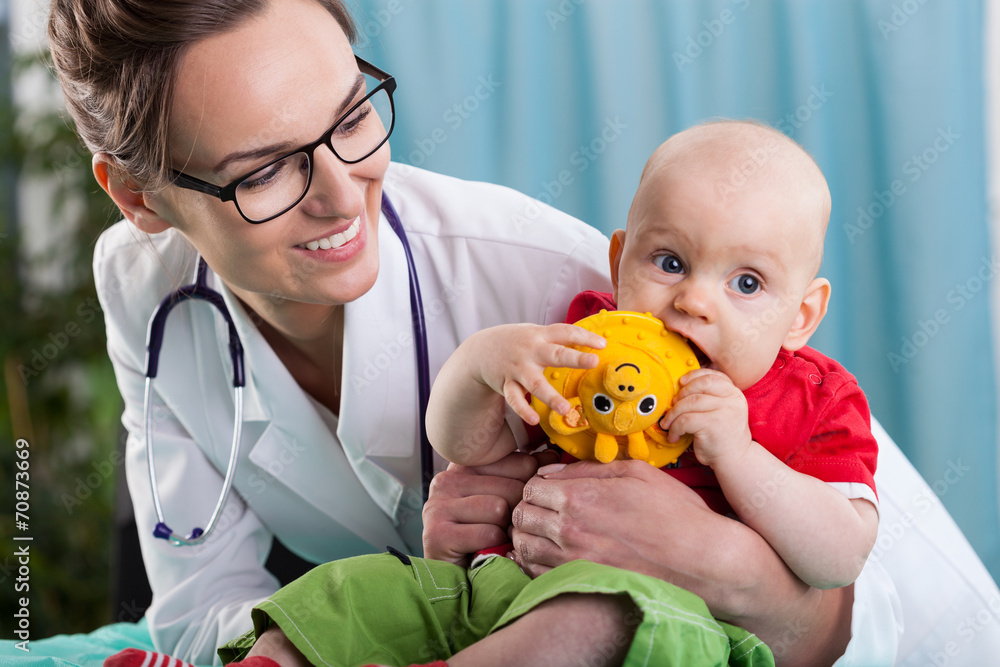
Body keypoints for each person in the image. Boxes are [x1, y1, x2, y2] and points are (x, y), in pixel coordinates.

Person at [46, 0, 897, 664]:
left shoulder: (582, 292)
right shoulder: (140, 288)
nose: (344, 196)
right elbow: (201, 606)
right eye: (264, 170)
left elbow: (864, 613)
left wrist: (713, 556)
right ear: (138, 197)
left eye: (350, 120)